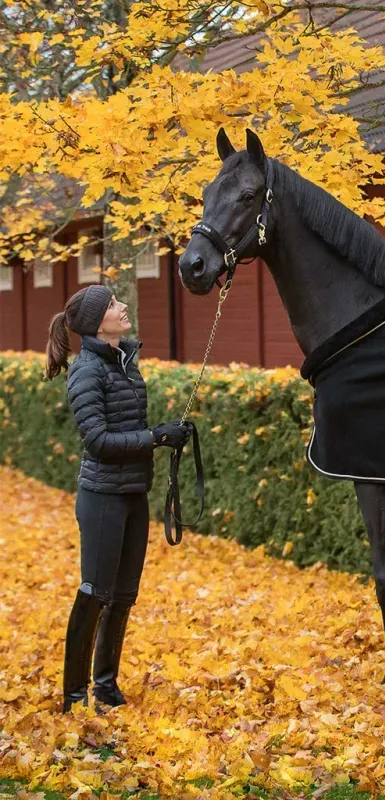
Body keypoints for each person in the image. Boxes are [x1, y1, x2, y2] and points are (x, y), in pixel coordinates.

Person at [45, 284, 190, 712]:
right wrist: (154, 437)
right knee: (94, 592)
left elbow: (126, 429)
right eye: (112, 304)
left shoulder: (124, 361)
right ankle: (74, 697)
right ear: (95, 323)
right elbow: (97, 440)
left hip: (132, 494)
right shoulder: (86, 370)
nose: (122, 306)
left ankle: (105, 686)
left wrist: (165, 435)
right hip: (102, 497)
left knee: (124, 594)